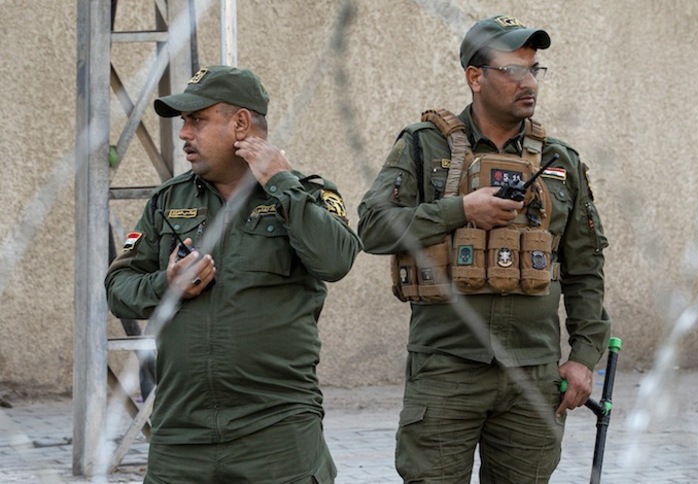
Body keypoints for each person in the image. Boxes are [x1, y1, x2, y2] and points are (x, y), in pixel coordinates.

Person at [357, 14, 610, 483]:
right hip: (447, 367)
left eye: (535, 69)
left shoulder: (559, 161)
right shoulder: (423, 147)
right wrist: (460, 211)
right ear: (475, 77)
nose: (529, 81)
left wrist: (583, 356)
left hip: (533, 373)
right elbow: (373, 228)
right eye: (513, 70)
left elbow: (585, 266)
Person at [105, 65, 362, 484]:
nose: (185, 133)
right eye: (184, 122)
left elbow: (336, 260)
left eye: (197, 120)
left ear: (241, 123)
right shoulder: (168, 202)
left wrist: (281, 182)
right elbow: (117, 288)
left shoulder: (306, 194)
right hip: (180, 435)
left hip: (276, 435)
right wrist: (165, 285)